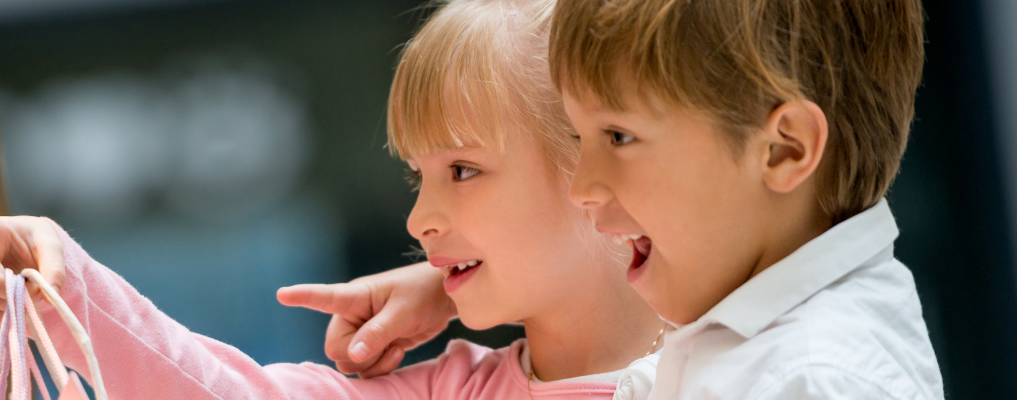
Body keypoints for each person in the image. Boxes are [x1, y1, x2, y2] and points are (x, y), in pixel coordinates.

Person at [0, 0, 669, 398]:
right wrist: (63, 284)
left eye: (463, 170)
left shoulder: (759, 350)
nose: (419, 220)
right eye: (418, 178)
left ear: (593, 165)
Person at [327, 0, 943, 398]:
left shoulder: (813, 379)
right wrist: (451, 286)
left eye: (617, 137)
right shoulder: (745, 340)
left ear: (782, 151)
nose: (583, 187)